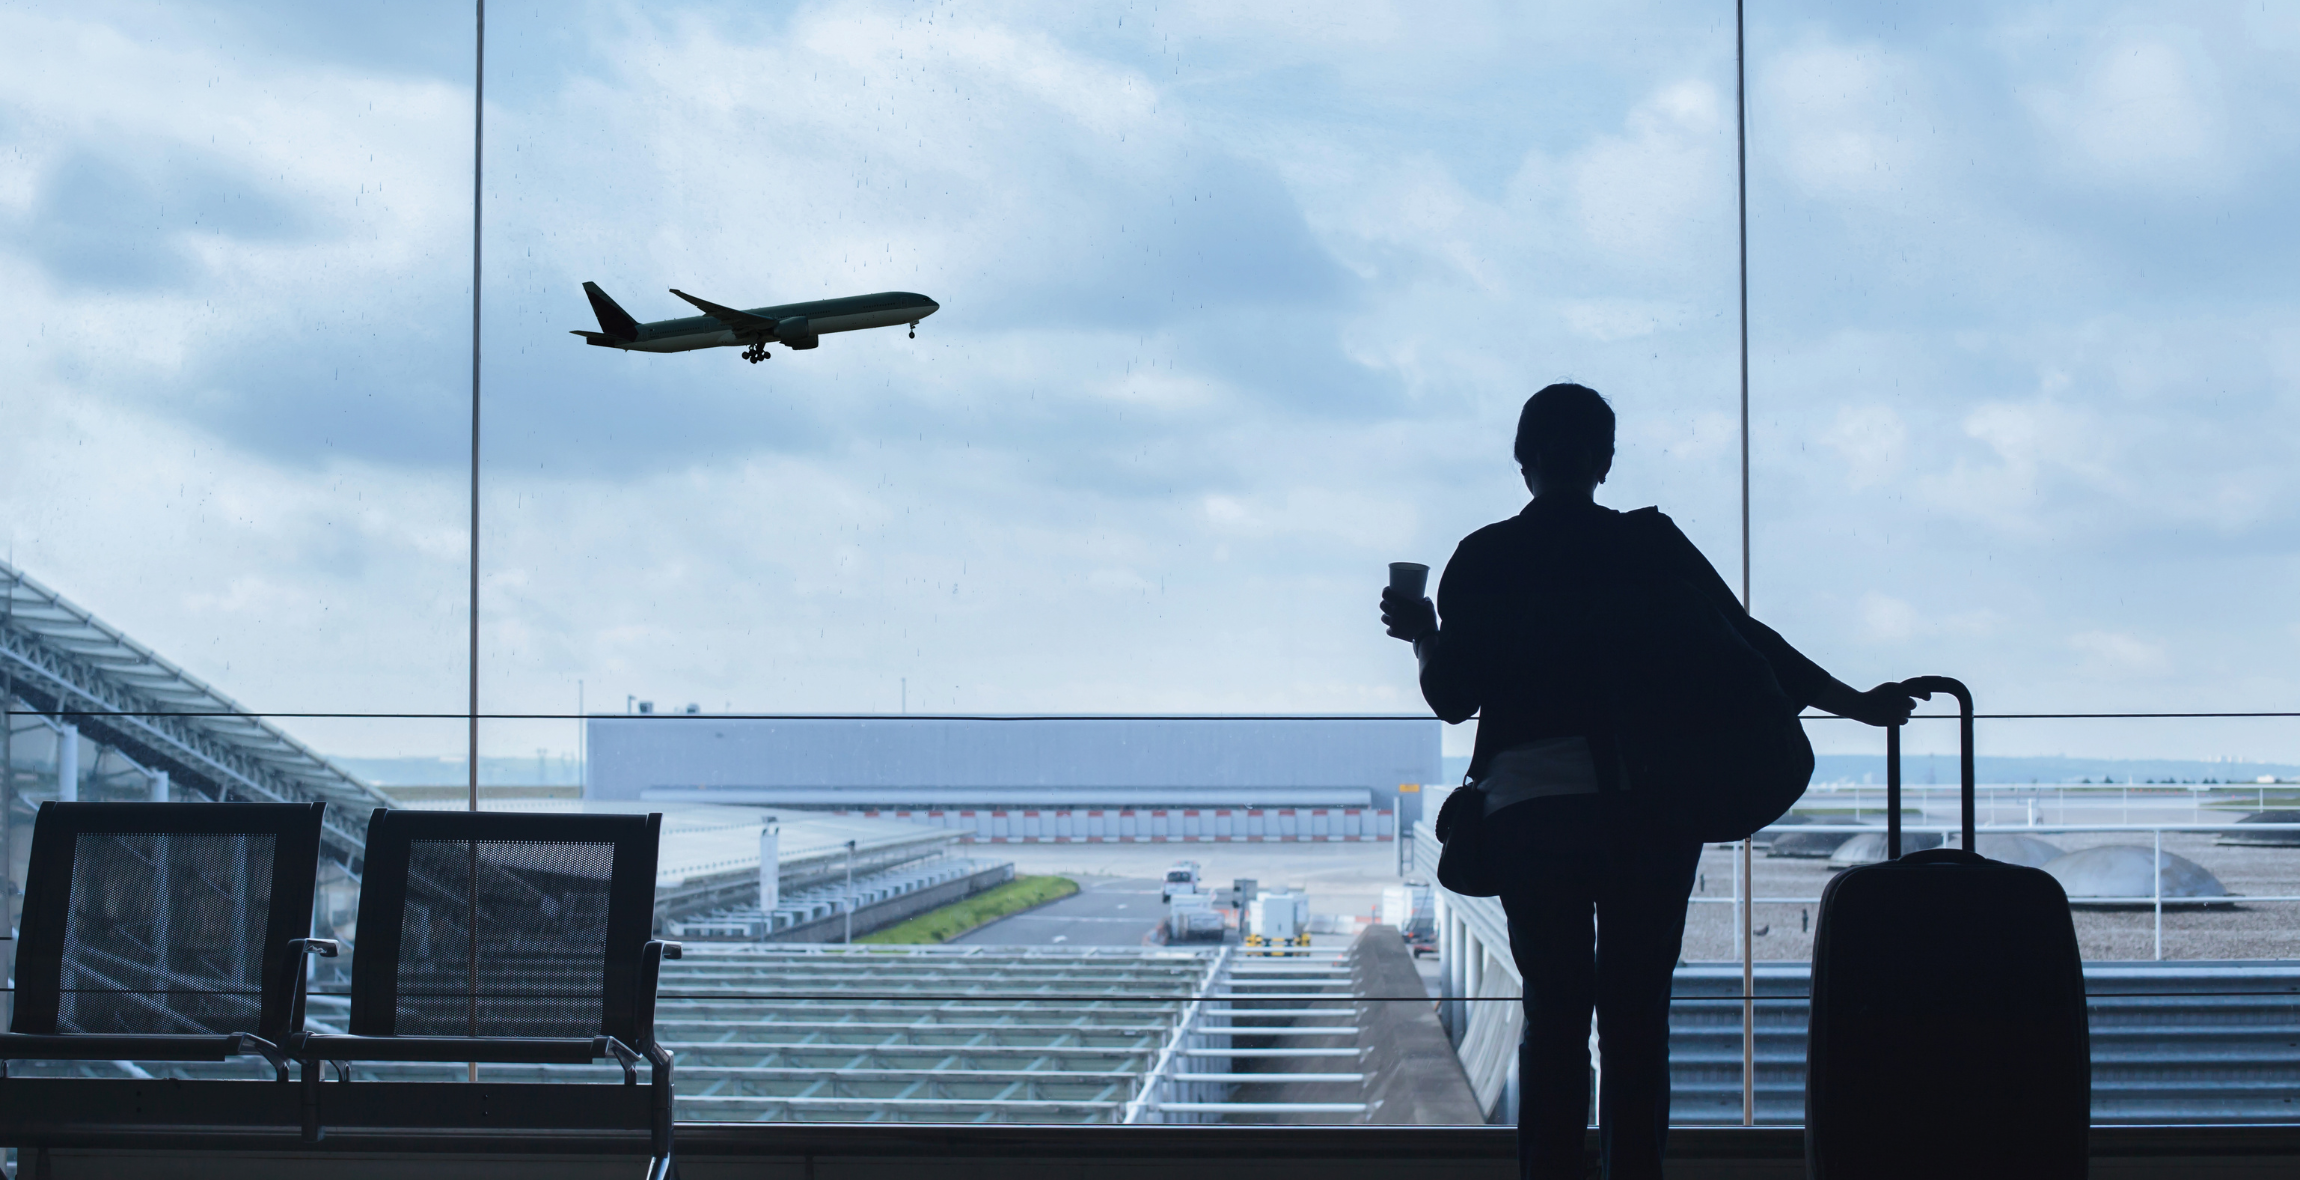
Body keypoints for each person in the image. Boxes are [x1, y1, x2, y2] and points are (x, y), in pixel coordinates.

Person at [1378, 383, 1913, 1180]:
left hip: (1530, 813)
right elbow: (1751, 644)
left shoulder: (1485, 555)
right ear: (1605, 461)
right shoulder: (1648, 546)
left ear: (1523, 461)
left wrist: (1423, 635)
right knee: (1637, 1025)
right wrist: (1856, 704)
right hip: (1648, 809)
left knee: (1554, 1020)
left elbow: (1451, 698)